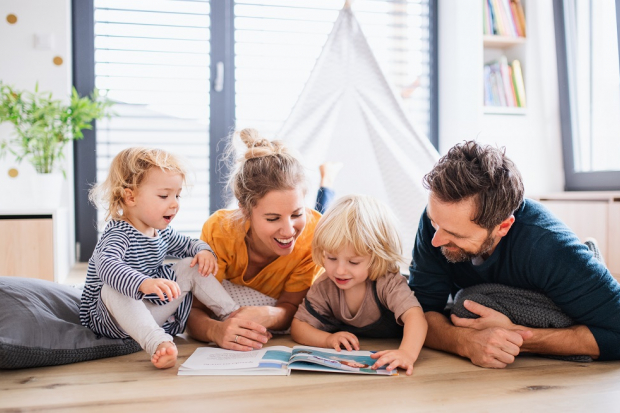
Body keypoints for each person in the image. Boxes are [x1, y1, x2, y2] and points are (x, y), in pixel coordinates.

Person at [408, 141, 620, 368]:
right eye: (434, 222)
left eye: (454, 234)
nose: (435, 240)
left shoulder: (549, 247)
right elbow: (418, 313)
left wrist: (518, 337)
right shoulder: (440, 220)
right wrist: (464, 342)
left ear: (503, 227)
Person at [80, 147, 239, 369]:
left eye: (177, 195)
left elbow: (189, 244)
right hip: (111, 318)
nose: (174, 203)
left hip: (147, 311)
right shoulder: (118, 234)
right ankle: (159, 342)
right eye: (164, 196)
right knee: (111, 287)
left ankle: (233, 314)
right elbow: (107, 266)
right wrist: (143, 283)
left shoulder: (161, 232)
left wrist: (204, 251)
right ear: (130, 196)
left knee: (189, 265)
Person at [186, 129, 339, 351]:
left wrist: (269, 313)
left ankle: (329, 179)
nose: (288, 231)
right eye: (272, 218)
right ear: (246, 211)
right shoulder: (221, 231)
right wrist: (215, 331)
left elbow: (292, 308)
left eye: (297, 214)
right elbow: (193, 310)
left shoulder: (312, 235)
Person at [291, 195, 427, 375]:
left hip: (395, 344)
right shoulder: (325, 285)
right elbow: (299, 326)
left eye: (353, 262)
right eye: (331, 258)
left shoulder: (387, 282)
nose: (339, 270)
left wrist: (406, 353)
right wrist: (328, 339)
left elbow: (416, 317)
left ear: (377, 258)